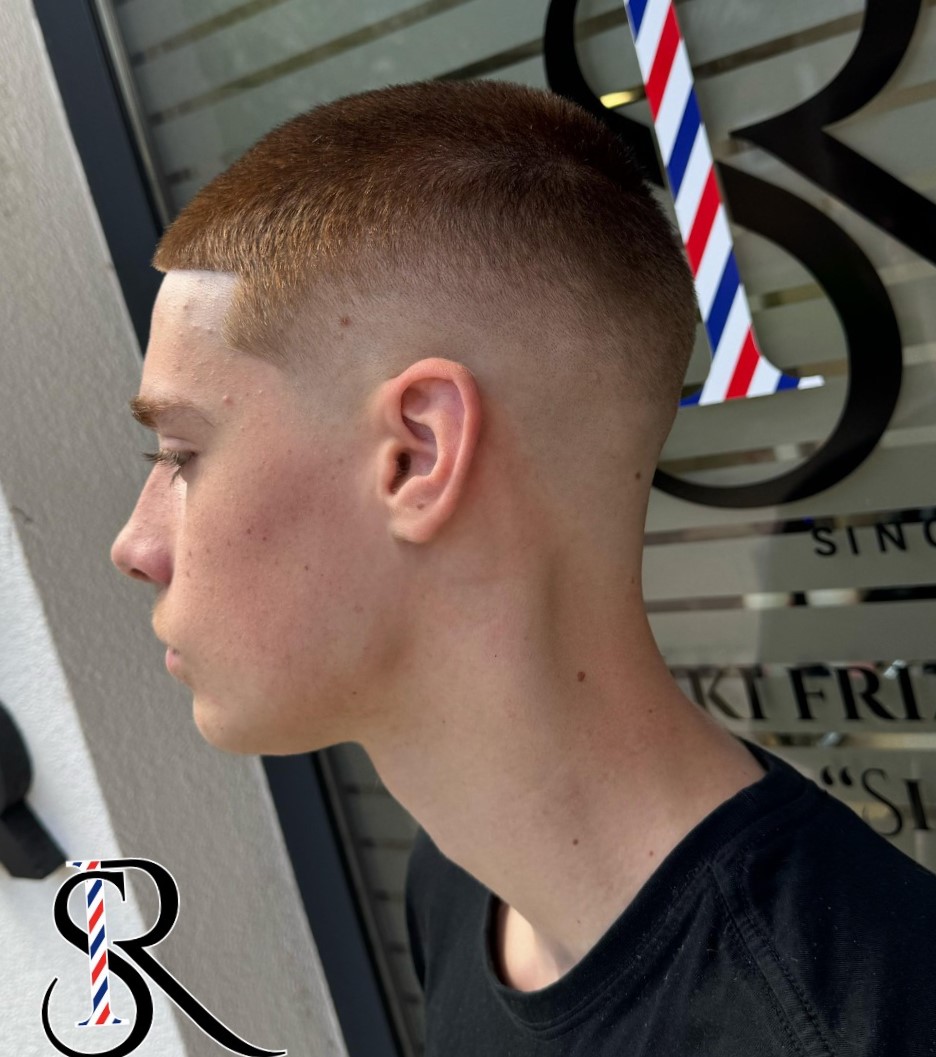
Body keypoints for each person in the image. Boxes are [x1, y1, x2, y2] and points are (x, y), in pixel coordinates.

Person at [111, 80, 936, 1055]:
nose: (137, 546)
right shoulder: (463, 890)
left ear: (417, 455)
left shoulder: (850, 1023)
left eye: (182, 454)